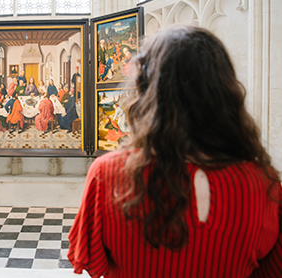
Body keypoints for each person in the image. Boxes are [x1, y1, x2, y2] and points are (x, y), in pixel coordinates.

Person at [68, 25, 282, 277]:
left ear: (146, 92)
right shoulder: (265, 184)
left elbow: (92, 263)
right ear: (225, 94)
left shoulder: (107, 174)